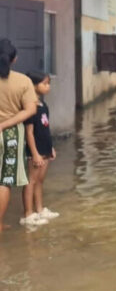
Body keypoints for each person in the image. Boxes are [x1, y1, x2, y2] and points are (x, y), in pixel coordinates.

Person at [0, 39, 37, 232]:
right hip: (11, 135)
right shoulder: (23, 81)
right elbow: (30, 110)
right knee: (4, 181)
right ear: (14, 60)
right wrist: (4, 124)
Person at [20, 71, 58, 227]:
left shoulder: (43, 105)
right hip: (34, 151)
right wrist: (34, 153)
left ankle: (40, 209)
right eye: (45, 83)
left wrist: (51, 148)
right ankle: (28, 214)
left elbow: (45, 129)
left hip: (45, 147)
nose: (48, 86)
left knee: (40, 180)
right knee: (31, 181)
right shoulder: (30, 107)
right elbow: (29, 133)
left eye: (48, 83)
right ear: (34, 86)